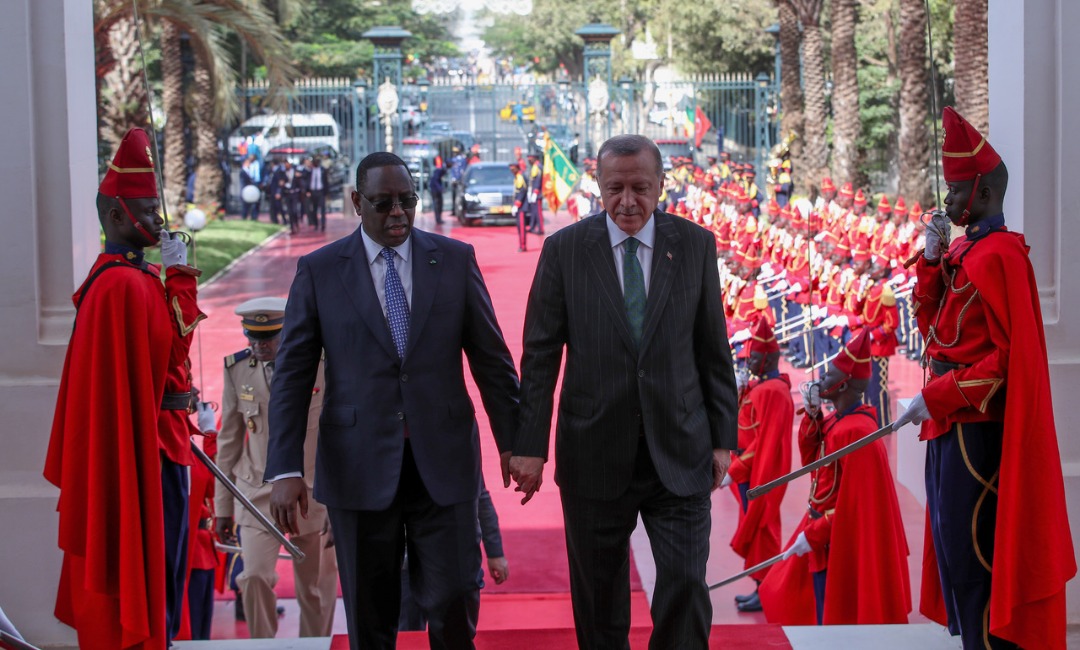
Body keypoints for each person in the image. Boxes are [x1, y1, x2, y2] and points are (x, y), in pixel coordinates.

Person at [265, 152, 520, 649]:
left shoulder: (453, 260)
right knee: (370, 615)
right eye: (383, 204)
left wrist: (514, 441)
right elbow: (293, 375)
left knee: (454, 603)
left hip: (443, 467)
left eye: (407, 200)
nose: (398, 212)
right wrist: (284, 468)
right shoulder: (319, 271)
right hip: (358, 470)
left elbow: (492, 360)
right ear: (356, 202)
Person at [510, 134, 739, 648]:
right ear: (598, 186)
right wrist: (529, 447)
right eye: (615, 188)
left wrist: (723, 438)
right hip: (593, 451)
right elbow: (541, 356)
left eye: (640, 187)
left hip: (680, 449)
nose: (628, 201)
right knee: (599, 602)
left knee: (684, 586)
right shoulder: (565, 251)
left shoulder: (695, 245)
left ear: (662, 185)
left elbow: (713, 349)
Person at [894, 107, 1075, 650]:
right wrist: (930, 262)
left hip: (976, 428)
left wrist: (939, 396)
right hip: (949, 422)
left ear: (984, 194)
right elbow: (935, 330)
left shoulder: (1001, 256)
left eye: (955, 192)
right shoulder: (964, 249)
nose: (946, 202)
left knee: (975, 553)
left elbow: (1005, 360)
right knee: (953, 548)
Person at [44, 127, 205, 648]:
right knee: (158, 570)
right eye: (146, 208)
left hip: (165, 439)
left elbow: (171, 358)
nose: (158, 220)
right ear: (116, 215)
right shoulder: (120, 286)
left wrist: (178, 276)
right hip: (149, 448)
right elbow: (170, 363)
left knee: (168, 572)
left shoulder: (132, 279)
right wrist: (176, 276)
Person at [758, 329, 911, 626]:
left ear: (844, 386)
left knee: (834, 617)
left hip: (835, 538)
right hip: (823, 533)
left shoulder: (856, 431)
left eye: (828, 377)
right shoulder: (838, 421)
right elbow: (812, 463)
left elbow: (857, 506)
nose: (821, 381)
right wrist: (813, 414)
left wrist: (816, 533)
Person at [213, 297, 337, 639]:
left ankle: (315, 646)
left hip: (313, 492)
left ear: (289, 333)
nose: (258, 345)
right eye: (251, 337)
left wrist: (340, 501)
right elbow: (229, 442)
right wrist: (222, 507)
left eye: (268, 337)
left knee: (314, 589)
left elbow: (337, 436)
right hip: (256, 492)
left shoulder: (322, 366)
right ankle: (261, 646)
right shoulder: (236, 369)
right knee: (253, 577)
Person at [722, 318, 793, 613]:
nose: (748, 361)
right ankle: (759, 585)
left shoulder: (773, 392)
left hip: (756, 472)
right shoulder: (763, 387)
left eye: (753, 357)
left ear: (766, 359)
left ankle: (765, 588)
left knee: (763, 530)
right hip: (746, 469)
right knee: (755, 527)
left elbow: (765, 444)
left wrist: (735, 469)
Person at [398, 477, 510, 631]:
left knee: (456, 631)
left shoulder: (459, 454)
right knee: (407, 633)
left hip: (453, 558)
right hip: (406, 561)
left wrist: (495, 553)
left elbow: (481, 498)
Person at [306, 156, 328, 232]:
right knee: (314, 209)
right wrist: (307, 191)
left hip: (320, 191)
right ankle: (316, 224)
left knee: (322, 209)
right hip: (312, 192)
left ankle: (323, 224)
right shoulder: (310, 171)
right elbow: (307, 181)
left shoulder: (322, 170)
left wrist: (326, 192)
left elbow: (326, 181)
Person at [240, 154, 262, 221]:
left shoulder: (251, 169)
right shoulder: (243, 171)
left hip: (253, 188)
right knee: (246, 205)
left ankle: (253, 217)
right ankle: (244, 217)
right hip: (247, 190)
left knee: (253, 204)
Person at [429, 160, 446, 226]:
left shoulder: (439, 170)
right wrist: (440, 189)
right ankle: (438, 219)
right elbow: (435, 181)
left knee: (439, 204)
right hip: (435, 190)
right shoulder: (439, 171)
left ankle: (439, 218)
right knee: (437, 204)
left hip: (436, 189)